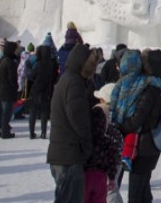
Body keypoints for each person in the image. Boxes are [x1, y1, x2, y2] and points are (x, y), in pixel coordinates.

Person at [117, 49, 161, 203]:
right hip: (152, 144)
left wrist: (120, 127)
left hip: (144, 145)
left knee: (135, 193)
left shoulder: (150, 89)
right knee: (143, 189)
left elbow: (138, 118)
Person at [47, 43, 95, 203]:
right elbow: (78, 118)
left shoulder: (68, 79)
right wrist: (88, 146)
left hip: (63, 153)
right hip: (69, 154)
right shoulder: (74, 82)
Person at [86, 83, 123, 203]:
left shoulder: (100, 110)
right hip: (116, 155)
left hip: (103, 159)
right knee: (113, 187)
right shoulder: (120, 110)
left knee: (109, 191)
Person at [0, 40, 19, 139]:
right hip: (7, 90)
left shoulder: (1, 59)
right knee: (6, 113)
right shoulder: (10, 62)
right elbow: (12, 78)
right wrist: (16, 87)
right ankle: (5, 132)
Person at [30, 44, 58, 139]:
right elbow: (54, 78)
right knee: (44, 113)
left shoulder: (38, 64)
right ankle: (43, 132)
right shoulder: (52, 64)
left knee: (33, 112)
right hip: (47, 91)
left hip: (36, 90)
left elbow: (32, 76)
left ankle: (31, 132)